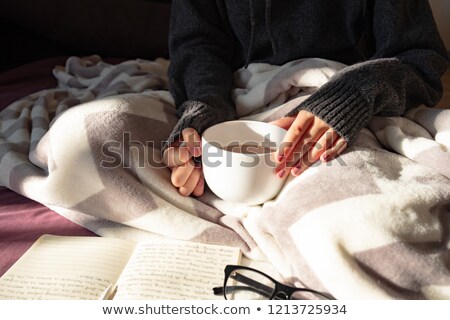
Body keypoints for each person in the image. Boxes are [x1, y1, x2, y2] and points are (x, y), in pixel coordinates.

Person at [163, 0, 449, 197]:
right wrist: (204, 111)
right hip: (233, 95)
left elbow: (420, 59)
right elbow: (197, 44)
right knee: (120, 134)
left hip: (342, 107)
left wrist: (350, 96)